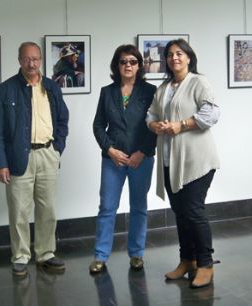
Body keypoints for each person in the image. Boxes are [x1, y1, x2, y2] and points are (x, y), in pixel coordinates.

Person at [0, 42, 69, 277]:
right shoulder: (6, 89)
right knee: (19, 211)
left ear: (41, 60)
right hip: (18, 157)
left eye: (35, 58)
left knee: (48, 209)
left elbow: (63, 120)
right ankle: (21, 256)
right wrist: (1, 163)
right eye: (26, 59)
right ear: (19, 60)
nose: (31, 63)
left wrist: (57, 148)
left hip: (48, 154)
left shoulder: (52, 87)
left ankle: (45, 253)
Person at [146, 39, 220, 289]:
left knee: (194, 212)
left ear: (189, 57)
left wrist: (182, 125)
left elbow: (212, 114)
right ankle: (187, 260)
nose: (174, 58)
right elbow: (151, 114)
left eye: (179, 53)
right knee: (181, 213)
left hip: (197, 160)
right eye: (169, 54)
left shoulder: (198, 82)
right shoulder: (163, 88)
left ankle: (205, 265)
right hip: (170, 161)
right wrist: (154, 125)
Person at [90, 44, 157, 274]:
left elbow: (154, 126)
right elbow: (98, 126)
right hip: (113, 159)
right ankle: (100, 256)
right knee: (107, 207)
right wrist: (110, 150)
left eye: (132, 61)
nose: (128, 65)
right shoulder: (107, 92)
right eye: (123, 61)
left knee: (139, 207)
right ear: (116, 66)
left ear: (139, 65)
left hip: (141, 159)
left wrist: (142, 152)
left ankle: (136, 254)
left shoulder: (150, 91)